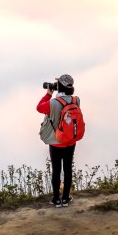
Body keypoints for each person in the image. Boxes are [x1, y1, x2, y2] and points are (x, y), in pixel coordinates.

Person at [37, 73, 80, 207]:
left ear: (59, 87)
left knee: (56, 170)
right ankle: (66, 198)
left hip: (56, 142)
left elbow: (39, 107)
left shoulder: (53, 103)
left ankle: (56, 199)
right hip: (70, 141)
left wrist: (49, 93)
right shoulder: (76, 100)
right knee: (67, 170)